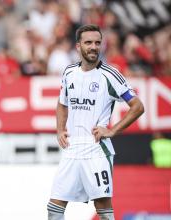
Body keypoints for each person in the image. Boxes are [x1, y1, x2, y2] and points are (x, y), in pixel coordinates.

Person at [48, 24, 144, 220]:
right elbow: (62, 103)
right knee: (54, 207)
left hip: (96, 150)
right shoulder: (69, 73)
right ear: (78, 46)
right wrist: (60, 129)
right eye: (89, 42)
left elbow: (137, 106)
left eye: (97, 43)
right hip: (72, 148)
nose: (93, 47)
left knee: (103, 209)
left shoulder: (110, 74)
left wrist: (112, 130)